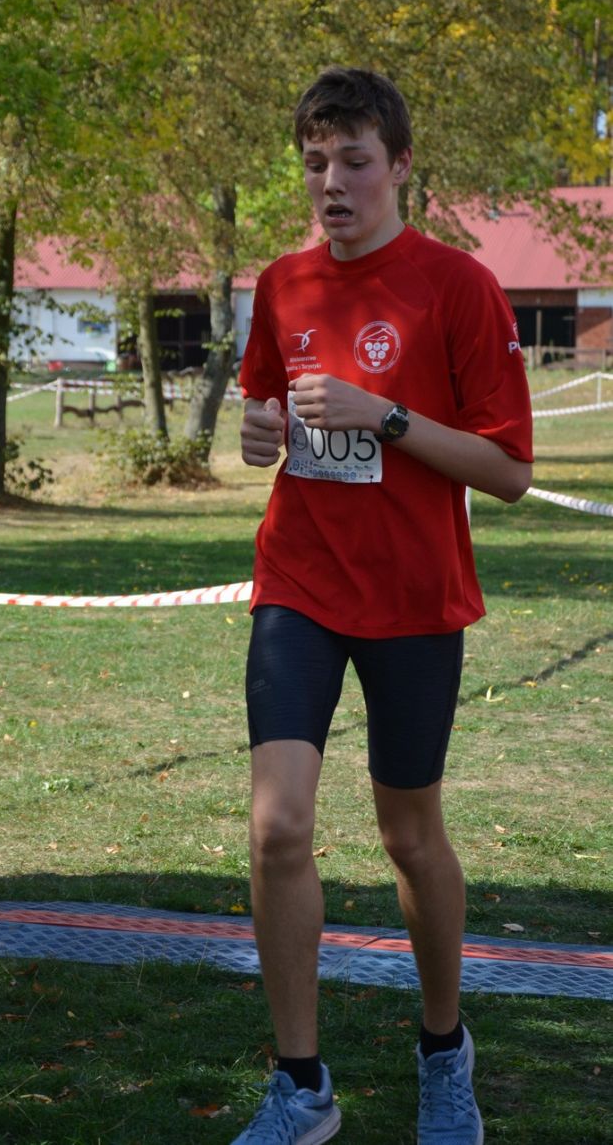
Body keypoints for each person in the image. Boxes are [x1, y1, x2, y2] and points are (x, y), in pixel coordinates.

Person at [232, 66, 533, 1145]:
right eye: (315, 163)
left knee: (409, 836)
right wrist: (258, 432)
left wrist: (386, 415)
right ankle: (301, 1086)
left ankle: (444, 1050)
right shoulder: (281, 283)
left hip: (414, 599)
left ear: (400, 166)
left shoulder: (459, 286)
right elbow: (263, 410)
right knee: (278, 826)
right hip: (300, 583)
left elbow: (508, 472)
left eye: (354, 161)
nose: (332, 183)